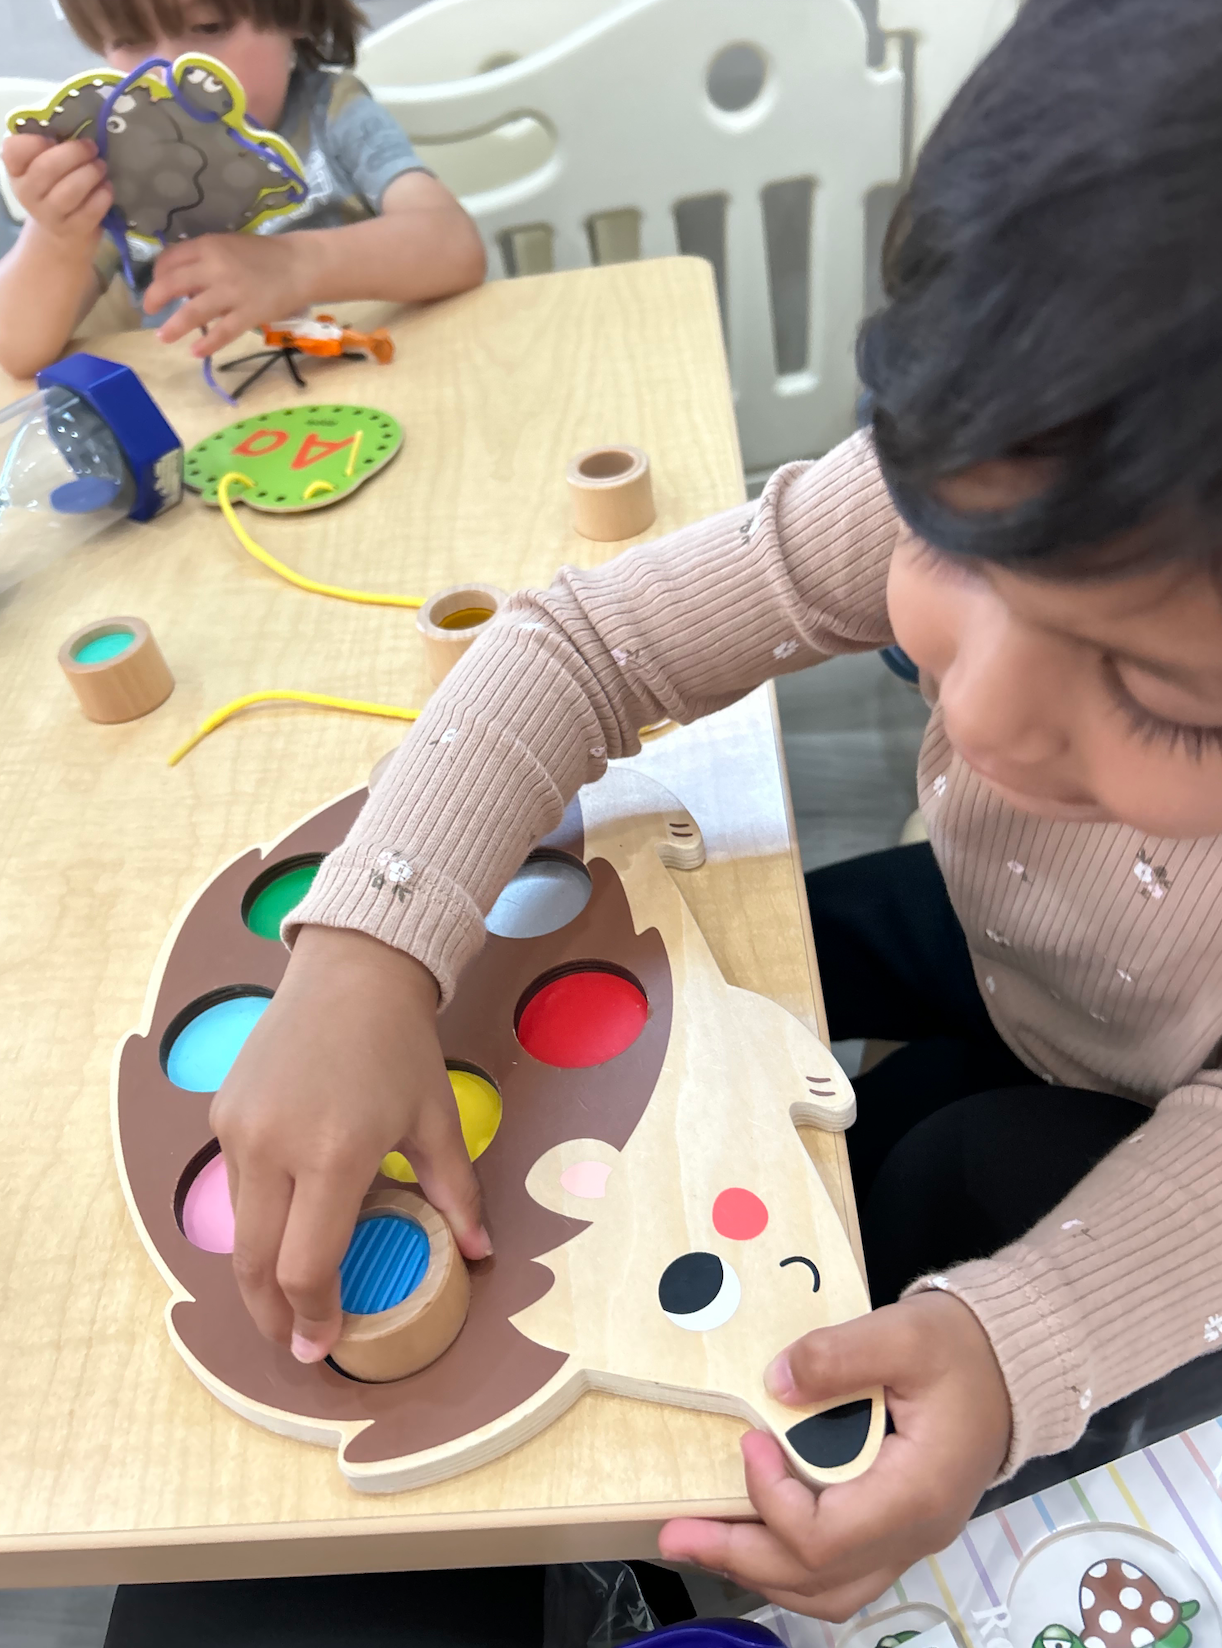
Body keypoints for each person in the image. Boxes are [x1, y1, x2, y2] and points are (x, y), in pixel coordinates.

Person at [169, 0, 1222, 1620]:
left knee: (958, 1171)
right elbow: (581, 638)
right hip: (1019, 925)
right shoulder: (1026, 462)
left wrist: (1016, 1348)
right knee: (754, 974)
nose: (979, 707)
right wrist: (366, 947)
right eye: (951, 543)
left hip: (1171, 1075)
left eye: (1162, 696)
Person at [0, 0, 485, 379]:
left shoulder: (331, 112)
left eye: (209, 27)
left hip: (369, 383)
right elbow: (15, 350)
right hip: (208, 428)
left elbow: (454, 246)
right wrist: (58, 238)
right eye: (128, 40)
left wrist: (295, 266)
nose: (169, 72)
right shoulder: (115, 169)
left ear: (293, 14)